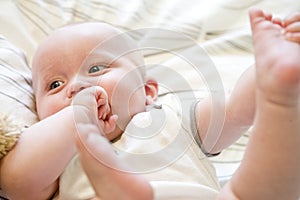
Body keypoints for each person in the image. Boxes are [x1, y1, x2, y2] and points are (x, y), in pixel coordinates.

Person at [0, 8, 299, 200]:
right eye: (55, 85)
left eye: (96, 69)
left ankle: (276, 88)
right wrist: (75, 120)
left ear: (147, 92)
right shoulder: (55, 155)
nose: (77, 86)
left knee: (249, 189)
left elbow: (236, 110)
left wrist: (262, 73)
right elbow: (17, 182)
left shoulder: (172, 118)